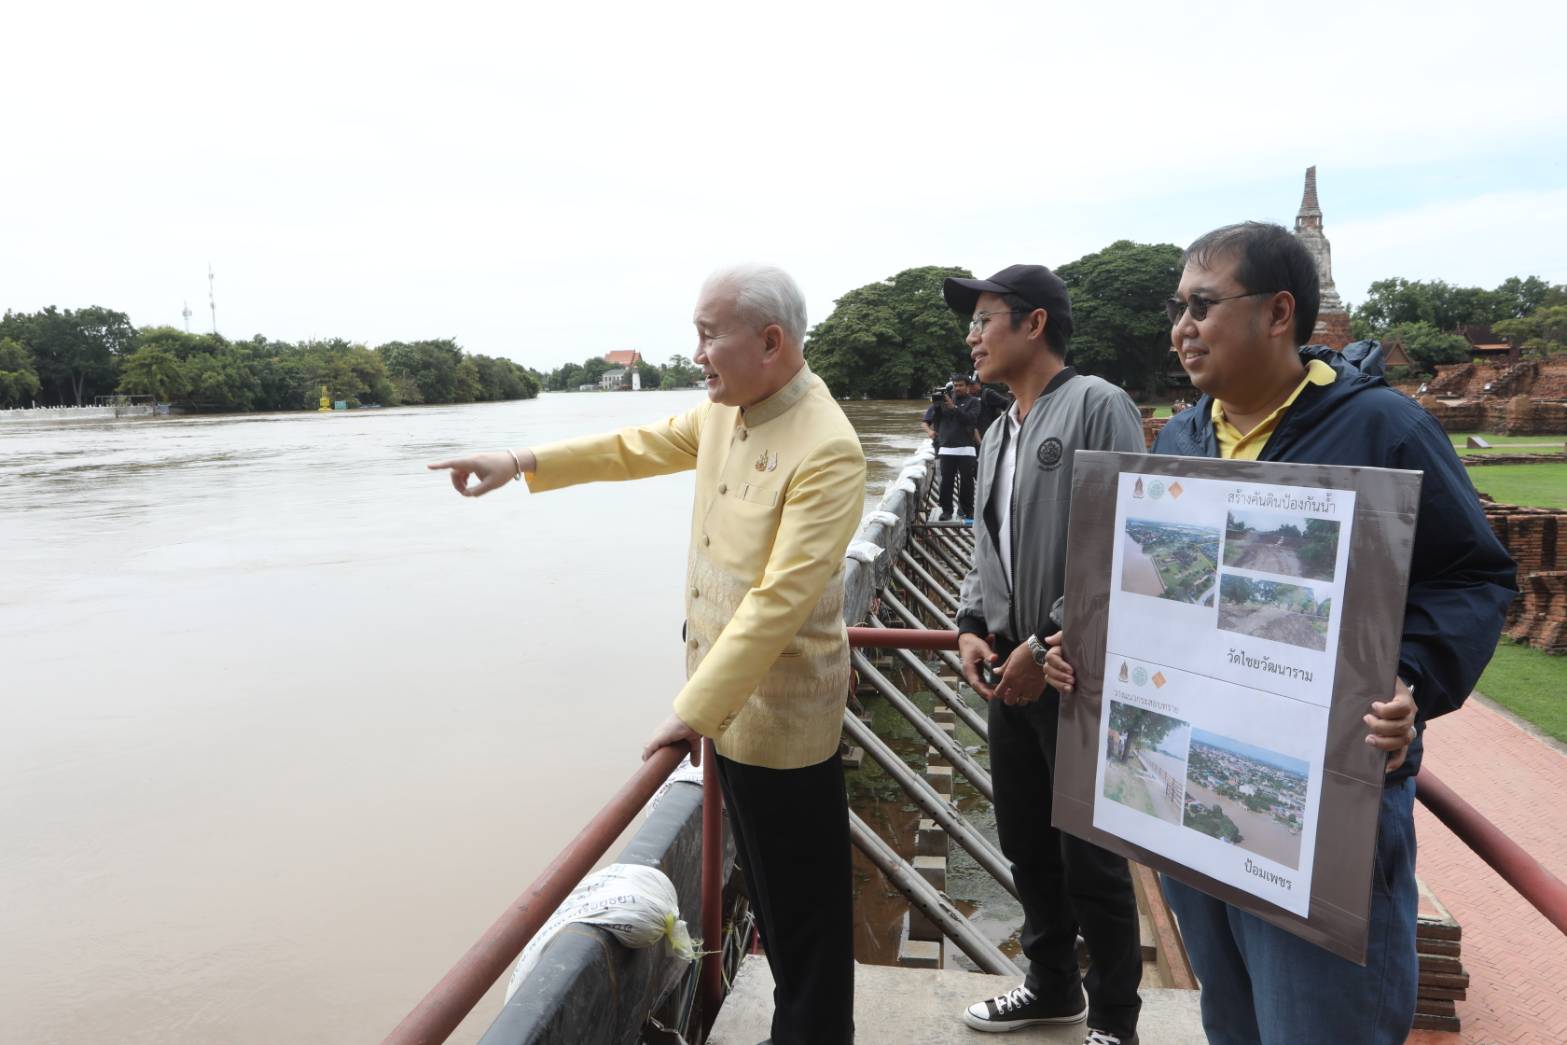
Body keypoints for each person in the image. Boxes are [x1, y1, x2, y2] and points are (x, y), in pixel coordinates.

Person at [1044, 222, 1517, 1045]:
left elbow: (1474, 578)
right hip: (1192, 795)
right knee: (1230, 1017)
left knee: (1317, 1023)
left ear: (1278, 313)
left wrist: (1409, 677)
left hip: (1325, 792)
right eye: (1175, 307)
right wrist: (1083, 647)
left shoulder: (1379, 429)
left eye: (1201, 305)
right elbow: (1162, 588)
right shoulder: (1188, 435)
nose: (1179, 327)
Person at [428, 264, 866, 1045]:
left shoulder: (825, 445)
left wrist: (687, 711)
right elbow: (634, 445)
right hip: (729, 714)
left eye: (707, 334)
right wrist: (519, 462)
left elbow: (777, 603)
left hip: (784, 724)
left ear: (769, 341)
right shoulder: (727, 412)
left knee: (808, 928)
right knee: (773, 906)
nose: (696, 352)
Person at [945, 264, 1148, 1045]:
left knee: (1092, 860)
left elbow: (1122, 541)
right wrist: (969, 621)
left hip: (1076, 675)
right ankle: (1051, 987)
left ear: (1033, 324)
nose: (972, 336)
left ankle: (1116, 1024)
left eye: (983, 319)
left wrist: (1041, 640)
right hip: (1010, 672)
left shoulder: (1097, 405)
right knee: (1027, 843)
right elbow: (984, 545)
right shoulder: (999, 427)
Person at [922, 371, 981, 521]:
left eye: (961, 385)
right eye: (955, 385)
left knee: (967, 483)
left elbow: (970, 420)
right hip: (946, 447)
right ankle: (946, 510)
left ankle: (967, 510)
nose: (957, 388)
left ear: (968, 387)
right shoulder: (944, 401)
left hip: (966, 448)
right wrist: (936, 406)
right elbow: (935, 421)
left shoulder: (973, 402)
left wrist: (953, 407)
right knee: (946, 482)